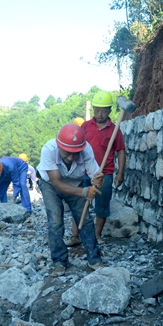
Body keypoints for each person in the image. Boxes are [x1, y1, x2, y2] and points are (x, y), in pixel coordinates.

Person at [36, 123, 105, 277]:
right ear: (59, 146)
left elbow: (95, 174)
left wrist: (98, 180)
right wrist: (84, 191)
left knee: (85, 219)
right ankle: (59, 261)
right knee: (55, 220)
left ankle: (94, 259)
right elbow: (57, 184)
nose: (71, 157)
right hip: (50, 185)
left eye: (75, 153)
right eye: (67, 153)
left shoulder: (86, 149)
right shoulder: (49, 149)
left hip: (75, 182)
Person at [65, 91, 126, 246]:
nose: (100, 113)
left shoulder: (115, 130)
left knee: (102, 205)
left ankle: (97, 236)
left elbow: (121, 151)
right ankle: (75, 235)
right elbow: (75, 147)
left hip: (105, 173)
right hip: (83, 172)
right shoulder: (85, 126)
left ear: (109, 111)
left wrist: (120, 173)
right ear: (93, 109)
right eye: (97, 109)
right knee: (78, 202)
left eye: (104, 110)